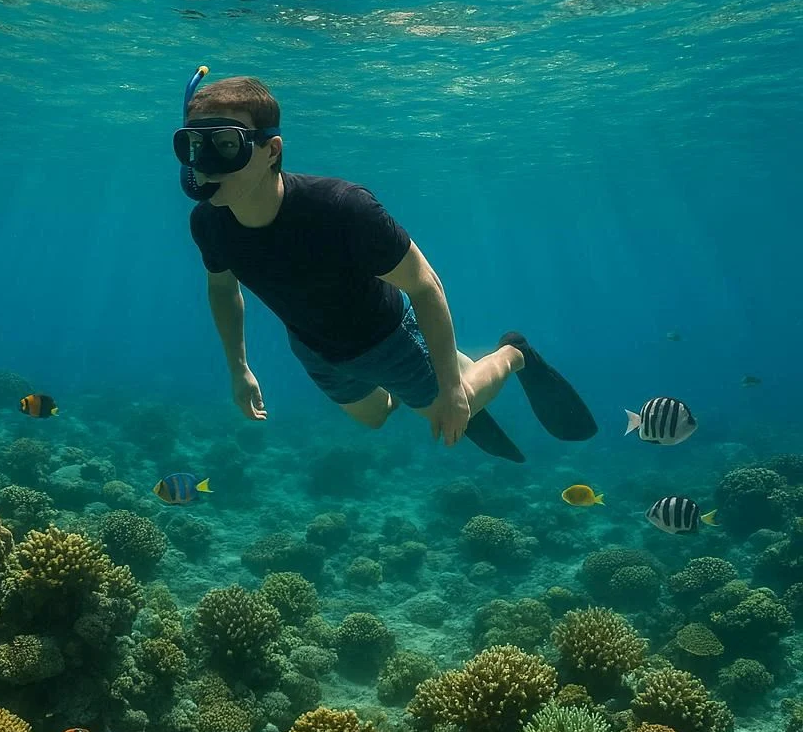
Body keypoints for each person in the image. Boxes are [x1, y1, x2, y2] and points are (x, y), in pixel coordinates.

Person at [175, 71, 596, 462]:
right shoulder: (208, 223)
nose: (206, 163)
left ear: (271, 150)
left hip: (388, 339)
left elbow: (425, 285)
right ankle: (437, 378)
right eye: (194, 146)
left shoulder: (342, 208)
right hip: (314, 348)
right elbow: (222, 289)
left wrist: (452, 392)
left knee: (452, 407)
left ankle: (512, 354)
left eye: (226, 145)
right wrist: (239, 370)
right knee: (375, 417)